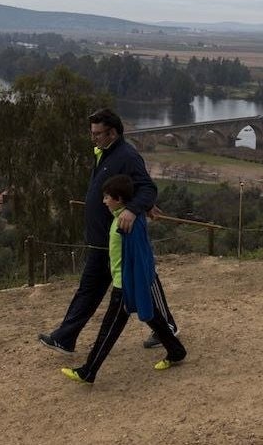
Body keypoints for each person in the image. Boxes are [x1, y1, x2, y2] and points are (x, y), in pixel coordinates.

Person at [38, 108, 179, 354]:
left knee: (141, 281)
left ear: (112, 133)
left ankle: (166, 327)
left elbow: (147, 187)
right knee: (91, 289)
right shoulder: (104, 153)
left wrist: (134, 208)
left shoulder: (127, 155)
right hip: (101, 237)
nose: (93, 138)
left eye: (98, 134)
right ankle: (65, 337)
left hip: (116, 236)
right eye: (92, 133)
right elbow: (124, 189)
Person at [61, 175, 186, 384]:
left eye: (107, 197)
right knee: (153, 317)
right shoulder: (123, 215)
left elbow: (139, 255)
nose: (104, 201)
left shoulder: (127, 223)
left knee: (109, 329)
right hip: (127, 282)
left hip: (124, 285)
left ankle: (88, 371)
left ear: (118, 199)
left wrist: (134, 285)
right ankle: (176, 351)